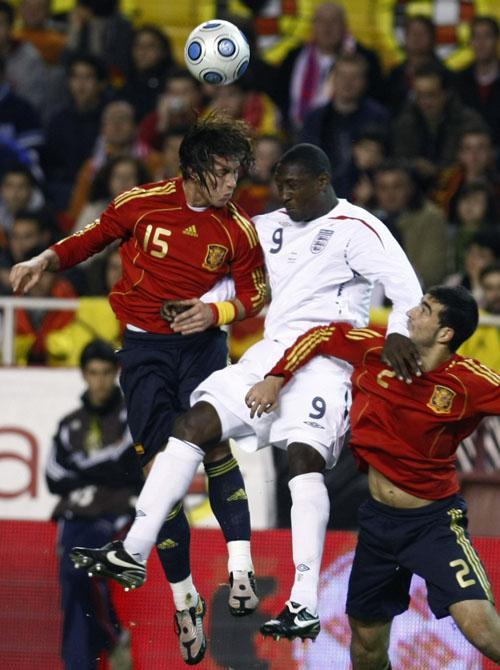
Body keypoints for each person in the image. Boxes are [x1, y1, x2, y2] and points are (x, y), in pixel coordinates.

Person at [66, 143, 423, 647]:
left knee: (303, 460)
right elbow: (231, 278)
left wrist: (399, 336)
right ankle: (134, 549)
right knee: (193, 425)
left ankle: (303, 601)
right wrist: (202, 305)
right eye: (279, 185)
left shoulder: (358, 227)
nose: (284, 195)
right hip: (269, 353)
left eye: (294, 186)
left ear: (322, 182)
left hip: (326, 363)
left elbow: (407, 289)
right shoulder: (265, 226)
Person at [10, 115, 266, 665]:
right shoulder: (142, 204)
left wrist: (216, 312)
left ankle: (242, 566)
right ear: (194, 168)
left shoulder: (238, 230)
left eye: (237, 173)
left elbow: (257, 293)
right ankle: (185, 599)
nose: (232, 183)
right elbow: (90, 239)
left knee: (213, 445)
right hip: (145, 350)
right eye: (223, 172)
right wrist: (44, 258)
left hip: (202, 346)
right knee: (159, 472)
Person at [246, 285, 500, 666]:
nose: (411, 313)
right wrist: (276, 377)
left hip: (433, 523)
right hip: (379, 524)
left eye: (425, 310)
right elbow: (321, 335)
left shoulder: (468, 381)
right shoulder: (377, 348)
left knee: (479, 627)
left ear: (446, 333)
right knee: (365, 642)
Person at [46, 339, 142, 670]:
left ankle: (96, 650)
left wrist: (81, 469)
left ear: (115, 374)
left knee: (79, 571)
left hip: (115, 512)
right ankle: (106, 644)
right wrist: (102, 471)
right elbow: (52, 477)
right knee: (71, 582)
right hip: (74, 515)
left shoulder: (131, 416)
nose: (99, 381)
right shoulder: (69, 422)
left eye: (104, 373)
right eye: (92, 373)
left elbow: (128, 467)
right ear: (84, 375)